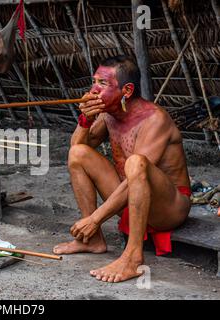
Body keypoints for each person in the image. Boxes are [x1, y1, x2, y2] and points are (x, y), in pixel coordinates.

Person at [53, 56, 191, 283]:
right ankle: (93, 240)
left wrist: (96, 218)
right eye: (94, 81)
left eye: (103, 83)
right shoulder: (108, 114)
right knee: (78, 153)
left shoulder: (155, 119)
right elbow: (77, 148)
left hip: (169, 207)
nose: (93, 90)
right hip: (130, 198)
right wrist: (85, 120)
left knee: (136, 163)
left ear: (127, 90)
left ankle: (133, 257)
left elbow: (138, 172)